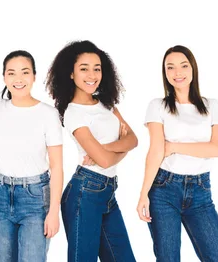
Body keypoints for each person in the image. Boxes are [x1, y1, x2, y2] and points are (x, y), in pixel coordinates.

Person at [137, 45, 218, 262]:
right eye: (170, 67)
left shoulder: (211, 106)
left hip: (200, 192)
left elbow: (216, 148)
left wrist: (174, 147)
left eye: (183, 66)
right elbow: (155, 151)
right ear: (165, 73)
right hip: (163, 190)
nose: (177, 72)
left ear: (193, 69)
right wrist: (143, 194)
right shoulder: (157, 106)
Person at [46, 40, 138, 262]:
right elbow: (106, 161)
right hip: (84, 193)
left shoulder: (106, 104)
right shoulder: (73, 113)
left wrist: (103, 148)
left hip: (107, 192)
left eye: (97, 68)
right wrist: (118, 146)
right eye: (84, 68)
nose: (92, 74)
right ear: (71, 74)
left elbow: (134, 140)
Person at [0, 50, 64, 262]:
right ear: (4, 78)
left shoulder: (48, 113)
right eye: (11, 73)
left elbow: (57, 166)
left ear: (34, 76)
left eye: (25, 72)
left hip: (36, 198)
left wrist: (54, 211)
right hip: (0, 195)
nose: (18, 79)